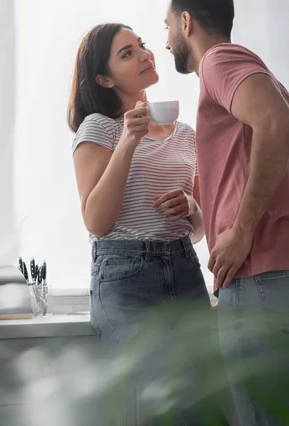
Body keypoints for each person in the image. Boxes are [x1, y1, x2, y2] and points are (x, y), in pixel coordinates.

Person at [164, 0, 289, 426]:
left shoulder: (220, 60)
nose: (165, 43)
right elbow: (272, 131)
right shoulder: (260, 78)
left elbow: (274, 124)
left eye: (166, 28)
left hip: (264, 276)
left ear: (186, 22)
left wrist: (240, 231)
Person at [67, 23, 228, 425]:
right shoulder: (99, 129)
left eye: (142, 45)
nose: (144, 54)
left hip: (184, 269)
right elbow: (97, 221)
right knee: (186, 402)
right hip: (125, 278)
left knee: (209, 397)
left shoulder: (186, 134)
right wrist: (127, 141)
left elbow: (197, 229)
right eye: (127, 53)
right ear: (104, 79)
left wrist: (191, 205)